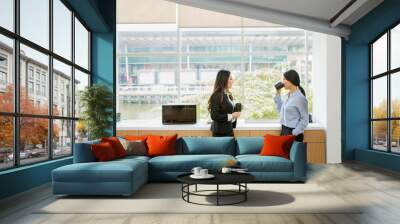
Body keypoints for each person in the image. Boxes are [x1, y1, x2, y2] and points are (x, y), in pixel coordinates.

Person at [274, 70, 309, 142]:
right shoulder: (288, 95)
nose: (283, 82)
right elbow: (281, 110)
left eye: (284, 79)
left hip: (293, 132)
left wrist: (293, 133)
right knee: (284, 153)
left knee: (292, 153)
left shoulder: (300, 98)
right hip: (284, 130)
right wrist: (278, 93)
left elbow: (305, 119)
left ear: (291, 80)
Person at [208, 70, 241, 137]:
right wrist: (232, 115)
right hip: (220, 133)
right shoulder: (216, 95)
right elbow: (214, 116)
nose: (232, 81)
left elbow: (227, 112)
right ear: (224, 80)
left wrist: (235, 115)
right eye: (230, 79)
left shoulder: (227, 94)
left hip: (228, 130)